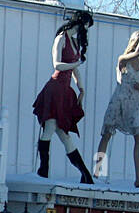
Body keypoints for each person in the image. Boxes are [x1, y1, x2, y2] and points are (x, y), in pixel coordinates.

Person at [32, 9, 95, 183]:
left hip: (65, 91)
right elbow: (57, 65)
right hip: (54, 89)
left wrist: (81, 88)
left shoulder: (74, 42)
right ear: (80, 22)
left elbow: (75, 70)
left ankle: (85, 174)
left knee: (64, 132)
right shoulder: (61, 38)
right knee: (51, 127)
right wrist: (76, 63)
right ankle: (43, 169)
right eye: (86, 26)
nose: (86, 30)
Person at [96, 29, 139, 188]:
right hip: (120, 101)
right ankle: (97, 171)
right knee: (107, 134)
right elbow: (137, 52)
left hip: (135, 104)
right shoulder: (123, 59)